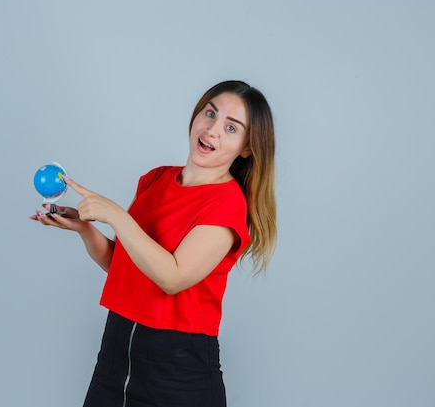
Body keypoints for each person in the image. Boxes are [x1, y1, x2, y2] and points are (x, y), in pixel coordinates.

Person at [31, 80, 277, 407]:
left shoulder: (228, 204)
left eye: (231, 128)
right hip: (115, 356)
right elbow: (123, 264)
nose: (212, 129)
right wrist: (84, 229)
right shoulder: (156, 179)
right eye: (209, 113)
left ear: (246, 147)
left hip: (178, 370)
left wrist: (117, 215)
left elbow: (172, 278)